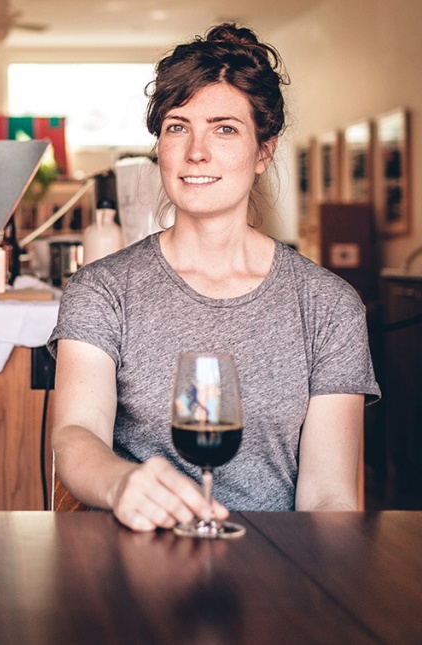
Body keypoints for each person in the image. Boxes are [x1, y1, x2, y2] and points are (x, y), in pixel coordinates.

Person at [48, 23, 380, 532]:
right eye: (177, 127)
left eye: (224, 128)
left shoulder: (329, 305)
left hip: (277, 572)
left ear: (263, 151)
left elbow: (329, 493)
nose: (195, 152)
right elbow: (75, 435)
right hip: (133, 564)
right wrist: (119, 484)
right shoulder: (102, 289)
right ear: (159, 145)